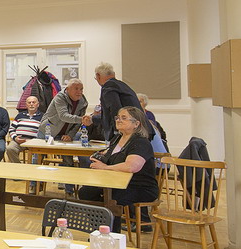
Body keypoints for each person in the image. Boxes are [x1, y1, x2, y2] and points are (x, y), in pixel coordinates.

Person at [78, 106, 159, 234]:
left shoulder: (140, 142)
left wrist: (105, 167)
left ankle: (111, 235)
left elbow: (131, 166)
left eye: (124, 118)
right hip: (115, 183)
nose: (118, 120)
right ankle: (99, 229)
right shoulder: (117, 139)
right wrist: (99, 158)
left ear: (136, 124)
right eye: (118, 117)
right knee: (86, 192)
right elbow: (109, 156)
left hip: (139, 186)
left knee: (112, 199)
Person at [40, 79, 92, 192]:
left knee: (68, 160)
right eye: (76, 89)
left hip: (64, 133)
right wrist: (82, 119)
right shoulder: (60, 97)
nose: (79, 92)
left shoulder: (83, 102)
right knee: (37, 157)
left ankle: (69, 191)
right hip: (48, 131)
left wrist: (70, 135)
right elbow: (63, 116)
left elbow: (77, 124)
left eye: (81, 89)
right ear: (67, 89)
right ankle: (34, 186)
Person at [92, 62, 143, 141]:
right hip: (139, 129)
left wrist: (116, 137)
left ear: (98, 76)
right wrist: (93, 119)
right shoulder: (122, 85)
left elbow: (116, 111)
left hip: (130, 133)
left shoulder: (108, 86)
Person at [5, 95, 43, 164]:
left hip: (34, 142)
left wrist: (34, 140)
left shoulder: (42, 116)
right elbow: (11, 129)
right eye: (29, 102)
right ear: (26, 105)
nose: (31, 104)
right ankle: (18, 166)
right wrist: (15, 138)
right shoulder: (20, 115)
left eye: (33, 102)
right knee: (10, 148)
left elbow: (44, 131)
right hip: (19, 141)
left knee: (38, 152)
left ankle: (33, 168)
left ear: (38, 104)